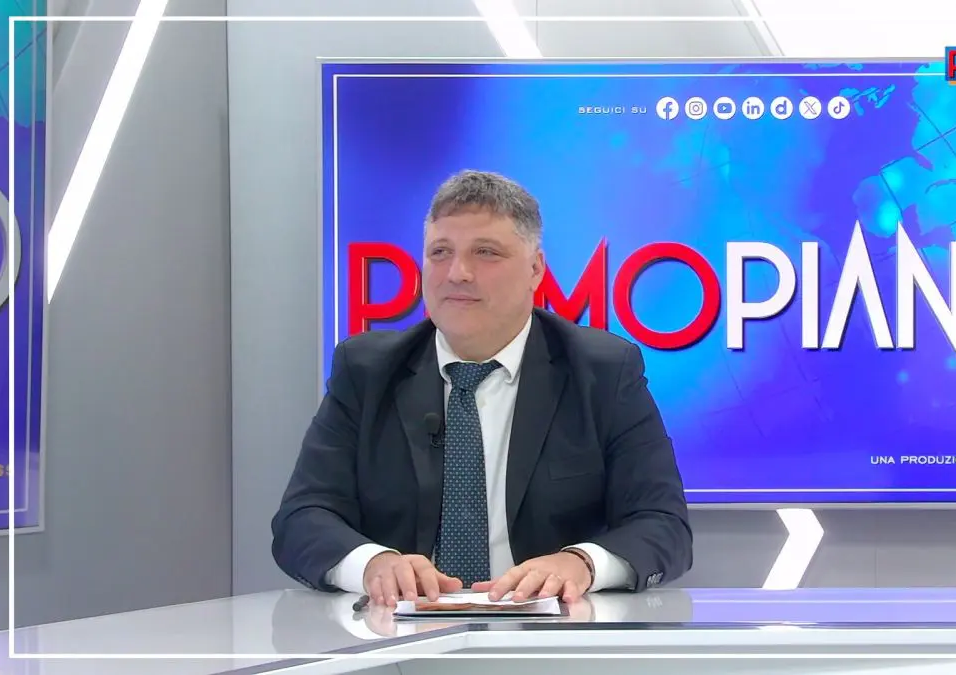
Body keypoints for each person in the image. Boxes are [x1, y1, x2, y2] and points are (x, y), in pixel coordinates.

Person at [272, 170, 692, 606]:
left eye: (485, 252)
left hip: (552, 631)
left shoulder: (602, 371)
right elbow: (301, 519)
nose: (458, 273)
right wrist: (372, 564)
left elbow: (663, 525)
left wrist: (581, 563)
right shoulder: (367, 371)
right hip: (398, 631)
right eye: (440, 252)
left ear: (535, 269)